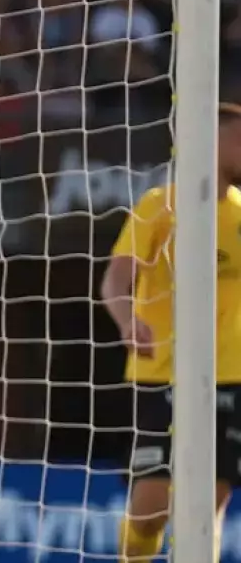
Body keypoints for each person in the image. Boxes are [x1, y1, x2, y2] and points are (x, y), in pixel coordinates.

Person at [101, 102, 241, 563]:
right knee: (152, 509)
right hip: (162, 370)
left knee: (207, 506)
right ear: (212, 142)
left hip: (230, 375)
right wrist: (127, 319)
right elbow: (115, 281)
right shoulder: (159, 206)